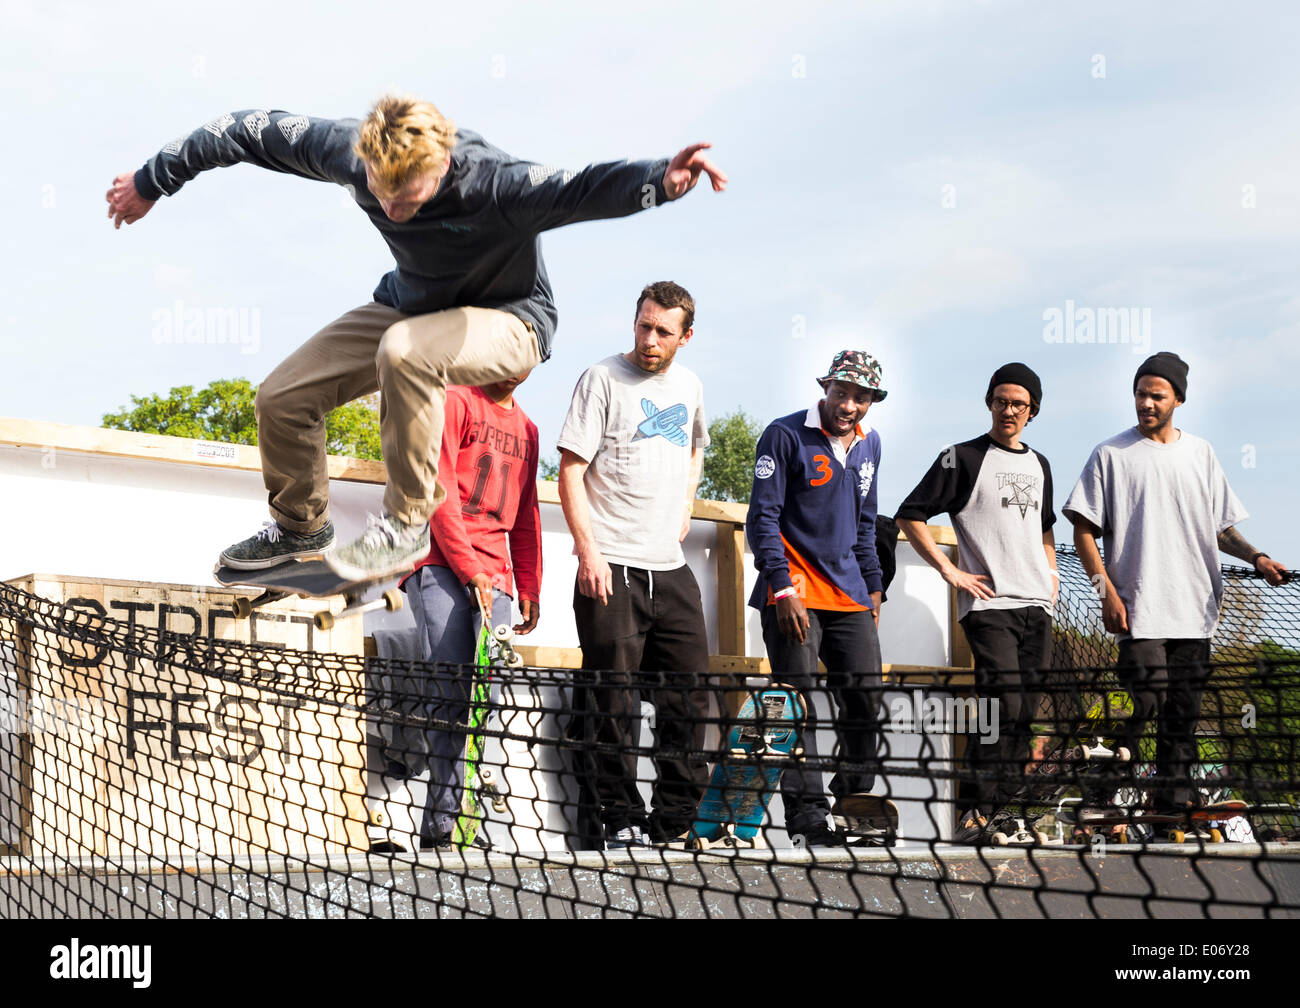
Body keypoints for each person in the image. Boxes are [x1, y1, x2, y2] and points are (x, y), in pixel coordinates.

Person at [106, 95, 726, 581]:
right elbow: (243, 129)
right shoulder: (345, 150)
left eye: (409, 197)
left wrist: (658, 181)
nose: (392, 208)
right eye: (380, 193)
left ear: (440, 167)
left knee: (406, 354)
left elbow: (582, 186)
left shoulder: (495, 182)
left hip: (513, 320)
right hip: (412, 305)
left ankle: (407, 524)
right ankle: (300, 526)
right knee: (282, 397)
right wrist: (153, 179)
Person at [1063, 351, 1289, 833]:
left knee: (1182, 720)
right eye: (1140, 393)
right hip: (1138, 612)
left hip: (1195, 611)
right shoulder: (1110, 454)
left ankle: (1170, 813)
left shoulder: (1200, 453)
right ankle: (1097, 797)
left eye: (1156, 395)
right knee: (1147, 705)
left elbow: (1222, 529)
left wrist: (1257, 557)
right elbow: (1084, 528)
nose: (1145, 402)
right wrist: (1105, 589)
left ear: (1178, 400)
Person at [556, 281, 711, 850]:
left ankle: (671, 824)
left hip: (669, 568)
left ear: (684, 337)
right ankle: (619, 818)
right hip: (610, 567)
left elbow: (696, 447)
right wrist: (587, 551)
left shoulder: (691, 385)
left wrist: (687, 505)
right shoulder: (601, 379)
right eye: (643, 325)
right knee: (612, 701)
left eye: (663, 331)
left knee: (693, 699)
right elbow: (569, 470)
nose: (650, 339)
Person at [371, 372, 541, 853]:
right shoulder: (456, 402)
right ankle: (441, 828)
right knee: (449, 697)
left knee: (483, 702)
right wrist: (470, 571)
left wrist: (528, 582)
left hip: (497, 575)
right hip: (441, 564)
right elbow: (438, 490)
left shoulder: (528, 429)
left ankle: (468, 819)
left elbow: (526, 513)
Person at [895, 363, 1059, 845]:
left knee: (1025, 712)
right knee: (999, 704)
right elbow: (910, 513)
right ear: (990, 403)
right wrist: (950, 571)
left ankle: (1008, 815)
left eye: (1019, 404)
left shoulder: (1041, 464)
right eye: (1001, 400)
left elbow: (1045, 526)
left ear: (1033, 411)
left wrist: (1051, 575)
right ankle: (974, 813)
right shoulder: (961, 457)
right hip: (989, 607)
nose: (1008, 410)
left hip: (1038, 605)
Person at [746, 351, 888, 848]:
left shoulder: (870, 445)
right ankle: (808, 821)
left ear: (872, 401)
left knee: (866, 702)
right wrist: (781, 588)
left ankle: (852, 803)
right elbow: (761, 519)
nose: (849, 405)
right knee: (796, 707)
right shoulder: (784, 435)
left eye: (861, 397)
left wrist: (873, 590)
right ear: (825, 388)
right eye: (842, 392)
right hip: (794, 594)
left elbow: (866, 524)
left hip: (850, 595)